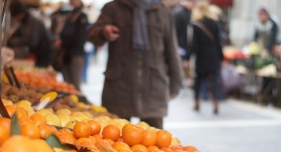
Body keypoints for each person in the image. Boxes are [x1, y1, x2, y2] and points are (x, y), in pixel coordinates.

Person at [88, 0, 182, 129]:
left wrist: (176, 82)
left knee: (155, 142)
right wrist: (103, 32)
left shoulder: (162, 10)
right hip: (119, 88)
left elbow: (171, 49)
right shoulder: (113, 8)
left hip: (154, 87)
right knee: (115, 138)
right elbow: (92, 35)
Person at [184, 1, 224, 114]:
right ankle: (216, 104)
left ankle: (197, 103)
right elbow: (218, 43)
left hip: (201, 57)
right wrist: (221, 57)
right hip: (213, 56)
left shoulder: (196, 24)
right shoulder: (215, 23)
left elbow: (193, 44)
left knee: (198, 81)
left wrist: (187, 58)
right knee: (214, 82)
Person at [7, 0, 53, 68]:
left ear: (20, 13)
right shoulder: (24, 22)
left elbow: (32, 42)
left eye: (15, 16)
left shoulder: (33, 22)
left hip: (43, 55)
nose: (15, 19)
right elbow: (12, 38)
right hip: (37, 53)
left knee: (39, 73)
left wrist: (15, 42)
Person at [56, 0, 88, 93]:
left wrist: (63, 42)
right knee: (67, 83)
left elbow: (80, 38)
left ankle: (78, 105)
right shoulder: (69, 14)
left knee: (75, 84)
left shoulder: (82, 16)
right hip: (66, 54)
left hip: (76, 54)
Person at [254, 7, 279, 95]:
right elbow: (255, 37)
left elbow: (272, 38)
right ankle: (264, 91)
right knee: (264, 73)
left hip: (272, 51)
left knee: (271, 73)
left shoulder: (272, 24)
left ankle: (270, 92)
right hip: (262, 51)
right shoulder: (258, 24)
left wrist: (267, 50)